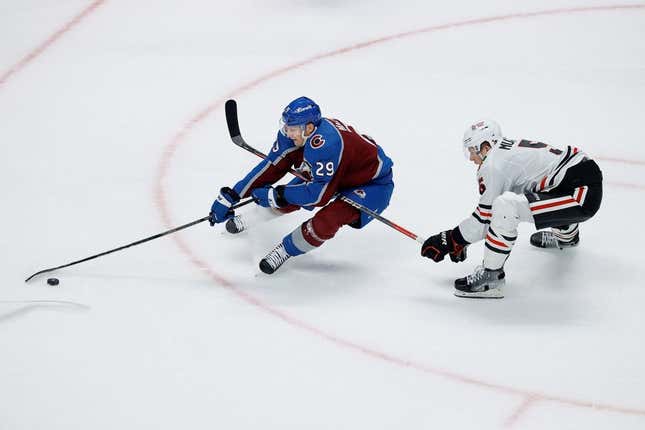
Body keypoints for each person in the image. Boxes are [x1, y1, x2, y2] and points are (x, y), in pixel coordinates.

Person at [208, 96, 394, 274]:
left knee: (326, 220)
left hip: (372, 184)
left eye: (293, 129)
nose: (288, 132)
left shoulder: (326, 144)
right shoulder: (297, 134)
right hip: (341, 169)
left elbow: (317, 196)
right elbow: (272, 166)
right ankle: (251, 218)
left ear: (309, 128)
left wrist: (277, 195)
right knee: (291, 193)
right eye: (286, 126)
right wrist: (234, 194)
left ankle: (286, 250)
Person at [420, 120, 603, 298]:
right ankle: (566, 237)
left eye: (472, 151)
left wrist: (452, 239)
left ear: (485, 147)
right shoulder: (505, 151)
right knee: (544, 193)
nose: (472, 159)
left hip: (580, 194)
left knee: (505, 208)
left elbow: (484, 219)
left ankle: (491, 278)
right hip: (579, 179)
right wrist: (461, 240)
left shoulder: (492, 165)